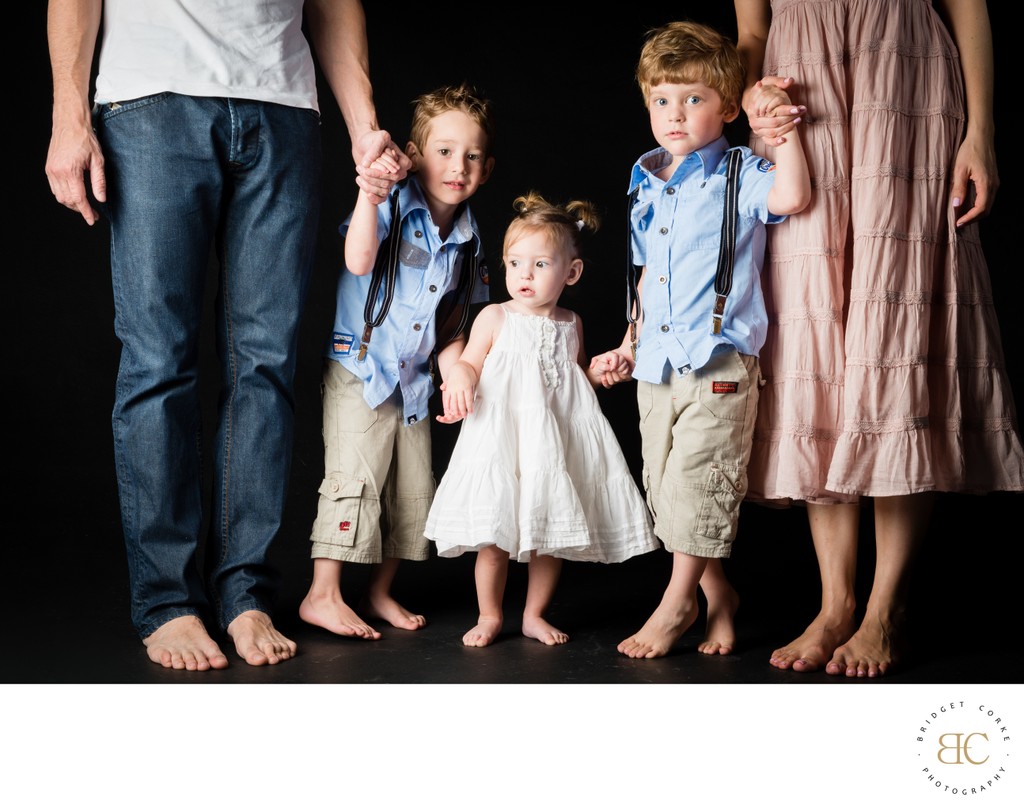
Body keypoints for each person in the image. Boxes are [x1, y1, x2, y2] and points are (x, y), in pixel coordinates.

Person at [44, 0, 410, 671]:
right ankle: (168, 602)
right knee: (159, 360)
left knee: (264, 364)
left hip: (283, 107)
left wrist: (364, 127)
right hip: (153, 99)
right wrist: (69, 114)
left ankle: (246, 593)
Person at [733, 0, 1024, 677]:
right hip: (799, 87)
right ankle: (836, 604)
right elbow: (751, 28)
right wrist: (750, 92)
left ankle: (885, 608)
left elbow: (969, 5)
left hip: (906, 77)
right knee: (815, 331)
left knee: (897, 320)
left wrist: (981, 132)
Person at [590, 20, 810, 659]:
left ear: (728, 106)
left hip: (718, 360)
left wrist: (784, 137)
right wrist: (628, 343)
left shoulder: (740, 173)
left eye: (693, 99)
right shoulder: (647, 181)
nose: (675, 114)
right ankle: (721, 597)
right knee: (665, 494)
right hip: (656, 364)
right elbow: (646, 277)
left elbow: (793, 196)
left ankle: (676, 602)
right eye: (662, 100)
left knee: (699, 482)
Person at [298, 83, 495, 641]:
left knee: (412, 492)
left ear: (487, 166)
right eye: (444, 151)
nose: (458, 166)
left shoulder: (471, 238)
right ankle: (323, 594)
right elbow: (358, 261)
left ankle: (379, 591)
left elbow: (455, 322)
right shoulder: (391, 205)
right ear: (413, 154)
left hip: (412, 382)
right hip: (361, 368)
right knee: (353, 480)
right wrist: (370, 194)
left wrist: (458, 369)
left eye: (472, 156)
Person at [424, 192, 659, 647]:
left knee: (549, 535)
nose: (523, 276)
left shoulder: (572, 322)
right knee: (494, 535)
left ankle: (534, 614)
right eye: (514, 264)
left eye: (539, 265)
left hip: (552, 442)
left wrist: (598, 374)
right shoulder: (495, 316)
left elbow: (573, 379)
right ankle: (490, 615)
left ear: (571, 273)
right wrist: (461, 380)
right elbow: (469, 361)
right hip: (503, 437)